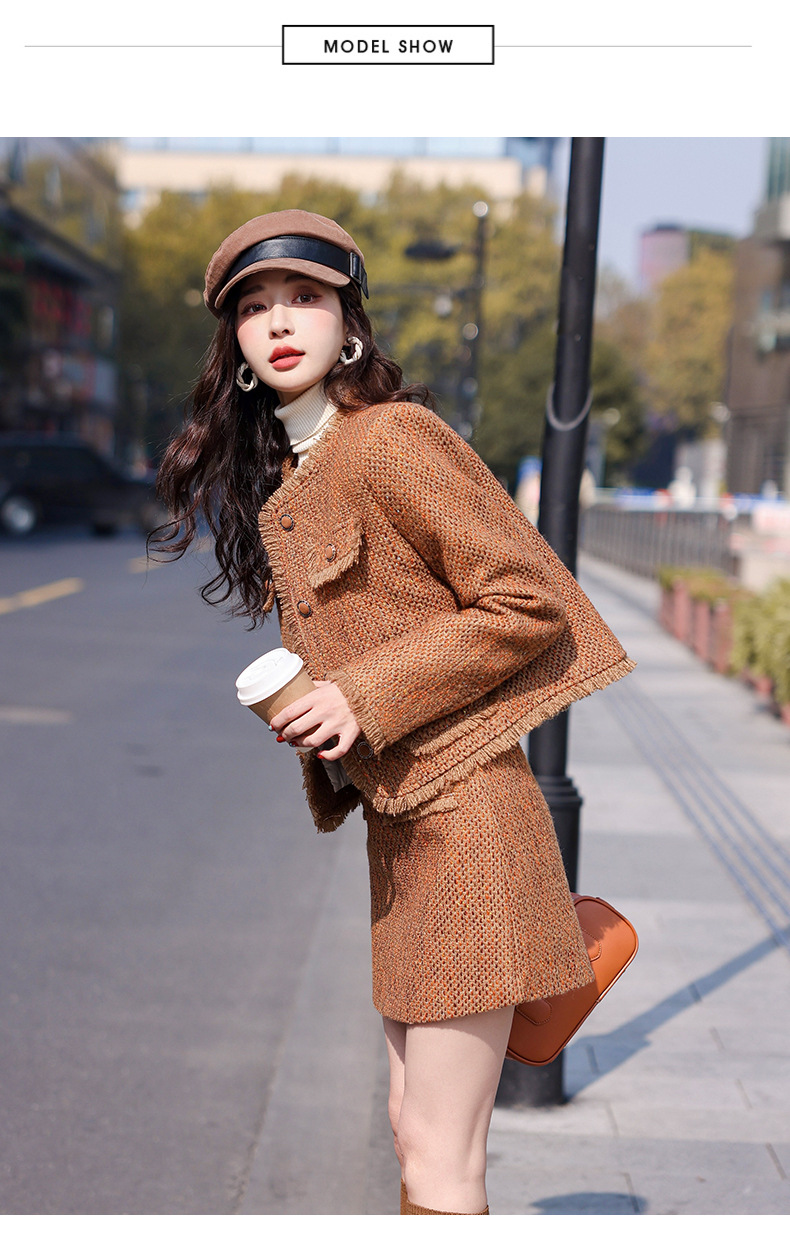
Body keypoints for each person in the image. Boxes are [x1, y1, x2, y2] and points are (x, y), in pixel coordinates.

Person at [152, 209, 635, 1215]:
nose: (279, 322)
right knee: (412, 1129)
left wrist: (359, 696)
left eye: (305, 298)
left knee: (439, 1153)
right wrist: (324, 717)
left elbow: (525, 600)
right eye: (254, 307)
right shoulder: (297, 481)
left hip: (469, 826)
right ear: (234, 345)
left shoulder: (393, 440)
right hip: (404, 836)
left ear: (349, 324)